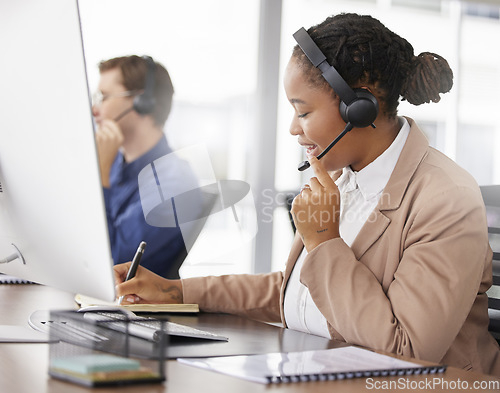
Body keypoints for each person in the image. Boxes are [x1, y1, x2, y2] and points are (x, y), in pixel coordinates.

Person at [113, 14, 500, 375]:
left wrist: (325, 241)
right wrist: (175, 291)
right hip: (323, 371)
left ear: (358, 107)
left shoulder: (445, 198)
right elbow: (296, 291)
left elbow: (407, 349)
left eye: (303, 112)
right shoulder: (344, 176)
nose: (293, 130)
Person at [92, 55, 202, 279]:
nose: (95, 109)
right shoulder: (114, 165)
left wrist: (99, 176)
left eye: (103, 97)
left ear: (142, 102)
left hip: (133, 310)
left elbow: (112, 262)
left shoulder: (175, 183)